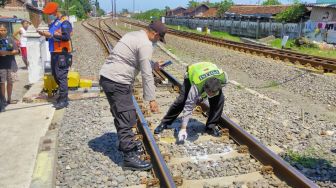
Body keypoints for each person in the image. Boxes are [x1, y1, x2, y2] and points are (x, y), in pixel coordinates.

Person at [99, 20, 167, 171]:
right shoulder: (145, 44)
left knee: (120, 114)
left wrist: (153, 65)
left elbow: (135, 60)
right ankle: (129, 157)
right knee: (126, 116)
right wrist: (151, 99)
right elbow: (146, 75)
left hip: (109, 78)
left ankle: (124, 143)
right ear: (155, 34)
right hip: (117, 81)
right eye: (159, 39)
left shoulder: (135, 35)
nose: (158, 42)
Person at [154, 62, 228, 142]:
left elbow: (217, 89)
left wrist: (204, 97)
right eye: (208, 93)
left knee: (220, 100)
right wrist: (183, 128)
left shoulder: (223, 78)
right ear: (204, 88)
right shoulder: (197, 86)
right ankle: (165, 122)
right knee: (181, 101)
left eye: (212, 93)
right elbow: (188, 107)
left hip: (208, 69)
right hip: (192, 73)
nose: (210, 95)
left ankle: (211, 126)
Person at [38, 2, 73, 109]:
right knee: (55, 75)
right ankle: (62, 96)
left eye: (50, 13)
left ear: (55, 11)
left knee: (61, 77)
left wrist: (51, 35)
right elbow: (52, 36)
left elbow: (66, 37)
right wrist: (44, 34)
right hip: (54, 52)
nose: (49, 15)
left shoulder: (65, 22)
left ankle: (64, 100)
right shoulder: (55, 22)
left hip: (62, 53)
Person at [0, 24, 20, 106]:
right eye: (1, 30)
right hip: (1, 65)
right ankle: (3, 100)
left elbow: (17, 51)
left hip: (11, 64)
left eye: (4, 30)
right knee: (1, 83)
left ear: (7, 31)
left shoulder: (11, 39)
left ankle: (9, 99)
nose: (2, 32)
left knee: (10, 82)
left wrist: (7, 53)